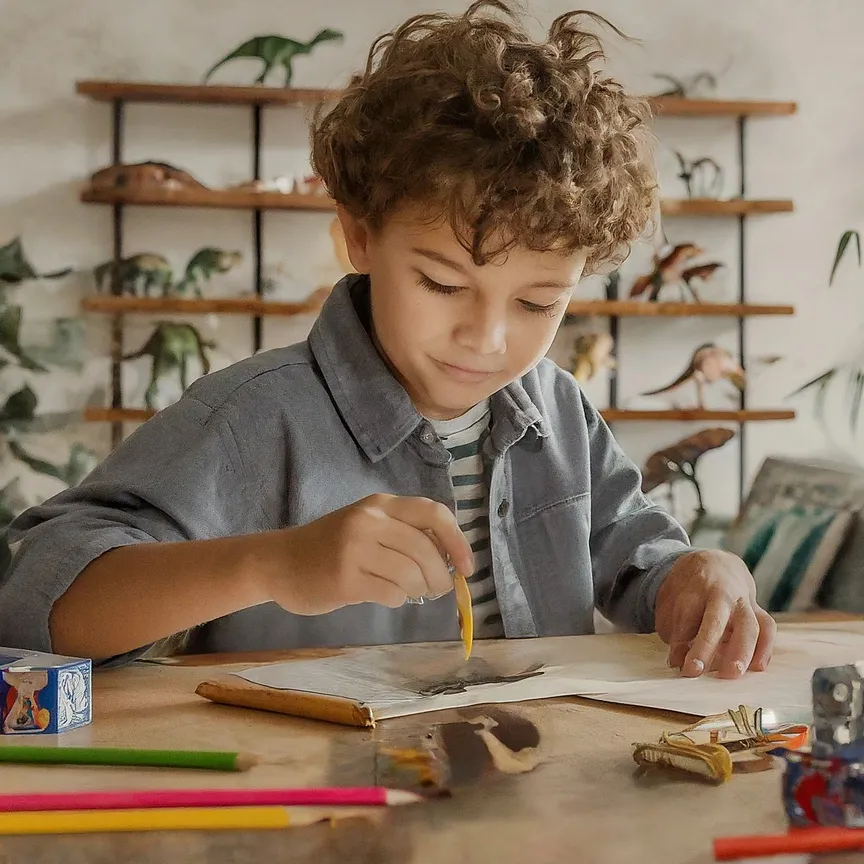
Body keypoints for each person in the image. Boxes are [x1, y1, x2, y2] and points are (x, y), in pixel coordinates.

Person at [0, 1, 775, 678]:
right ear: (360, 238)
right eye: (441, 284)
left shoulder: (560, 412)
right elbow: (37, 601)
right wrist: (272, 563)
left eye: (540, 302)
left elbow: (633, 555)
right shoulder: (253, 419)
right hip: (326, 819)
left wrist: (697, 576)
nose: (487, 336)